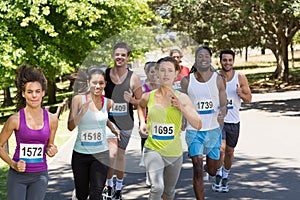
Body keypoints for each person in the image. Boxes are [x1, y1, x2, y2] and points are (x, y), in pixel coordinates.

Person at [138, 56, 202, 200]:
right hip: (152, 148)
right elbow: (140, 106)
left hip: (174, 152)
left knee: (168, 192)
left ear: (176, 74)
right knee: (157, 187)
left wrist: (181, 108)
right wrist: (142, 122)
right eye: (162, 70)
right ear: (157, 73)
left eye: (169, 71)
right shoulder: (148, 96)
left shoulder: (182, 98)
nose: (166, 74)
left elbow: (198, 124)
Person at [0, 65, 58, 200]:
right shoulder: (14, 120)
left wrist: (52, 149)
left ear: (43, 92)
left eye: (38, 91)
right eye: (30, 92)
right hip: (18, 176)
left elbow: (50, 145)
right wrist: (13, 164)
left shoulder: (52, 119)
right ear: (23, 93)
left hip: (40, 176)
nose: (34, 96)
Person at [181, 46, 227, 200]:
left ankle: (211, 167)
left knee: (213, 169)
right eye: (200, 56)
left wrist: (223, 113)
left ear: (210, 59)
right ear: (196, 60)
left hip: (213, 130)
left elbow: (224, 103)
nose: (203, 59)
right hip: (194, 130)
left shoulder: (218, 80)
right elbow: (184, 103)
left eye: (206, 56)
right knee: (197, 168)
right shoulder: (187, 81)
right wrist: (182, 120)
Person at [68, 67, 120, 200]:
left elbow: (101, 117)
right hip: (81, 154)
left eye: (101, 83)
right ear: (88, 83)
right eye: (94, 82)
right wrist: (82, 112)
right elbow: (70, 126)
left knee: (96, 194)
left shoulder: (109, 103)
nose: (98, 86)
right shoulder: (78, 100)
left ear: (105, 84)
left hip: (101, 154)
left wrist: (112, 127)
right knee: (82, 194)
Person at [103, 42, 143, 200]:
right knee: (111, 154)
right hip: (108, 120)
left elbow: (141, 102)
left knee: (120, 155)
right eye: (117, 54)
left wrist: (131, 99)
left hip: (126, 122)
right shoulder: (105, 74)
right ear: (113, 55)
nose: (119, 57)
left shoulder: (134, 78)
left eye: (123, 55)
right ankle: (108, 185)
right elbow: (96, 93)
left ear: (128, 57)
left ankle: (118, 187)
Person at [212, 49, 252, 193]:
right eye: (224, 60)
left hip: (234, 121)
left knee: (230, 151)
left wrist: (241, 94)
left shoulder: (240, 77)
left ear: (233, 61)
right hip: (219, 121)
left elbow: (249, 99)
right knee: (221, 149)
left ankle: (225, 176)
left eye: (230, 60)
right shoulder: (214, 77)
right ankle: (217, 173)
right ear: (220, 61)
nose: (227, 63)